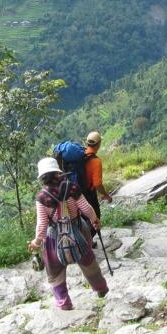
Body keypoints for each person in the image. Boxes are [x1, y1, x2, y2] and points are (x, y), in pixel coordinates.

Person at [28, 157, 108, 309]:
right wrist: (94, 220)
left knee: (55, 270)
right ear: (58, 172)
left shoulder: (41, 197)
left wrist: (36, 242)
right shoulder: (72, 187)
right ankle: (101, 289)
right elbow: (86, 208)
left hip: (54, 237)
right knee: (88, 262)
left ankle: (64, 303)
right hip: (78, 229)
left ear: (42, 177)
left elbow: (42, 225)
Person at [82, 131, 113, 222]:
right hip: (89, 195)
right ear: (98, 144)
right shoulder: (96, 161)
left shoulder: (81, 154)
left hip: (76, 193)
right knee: (95, 219)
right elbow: (97, 184)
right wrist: (106, 195)